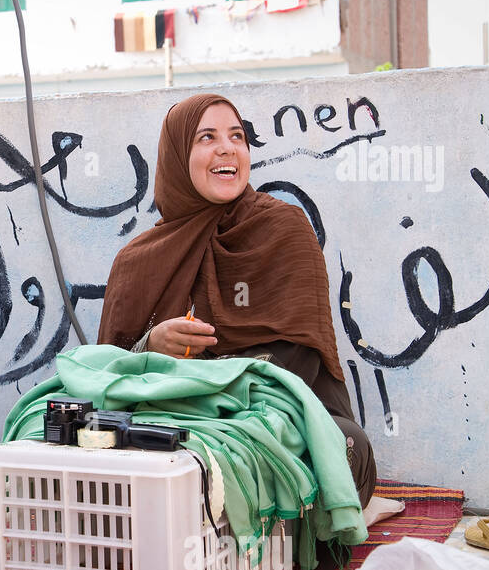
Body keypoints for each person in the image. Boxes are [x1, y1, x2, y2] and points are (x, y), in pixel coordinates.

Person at [97, 93, 388, 542]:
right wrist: (151, 347)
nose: (227, 148)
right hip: (167, 422)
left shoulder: (282, 229)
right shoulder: (139, 260)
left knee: (345, 446)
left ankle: (208, 528)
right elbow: (107, 375)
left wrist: (205, 383)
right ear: (177, 157)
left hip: (271, 417)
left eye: (237, 136)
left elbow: (299, 359)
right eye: (206, 138)